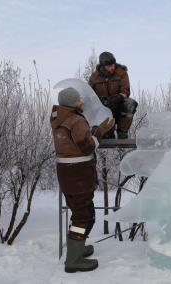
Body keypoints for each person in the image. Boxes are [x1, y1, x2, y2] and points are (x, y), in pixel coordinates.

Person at [50, 87, 114, 273]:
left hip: (67, 174)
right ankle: (74, 259)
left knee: (80, 212)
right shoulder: (76, 120)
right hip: (78, 175)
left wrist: (92, 131)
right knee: (83, 216)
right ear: (72, 103)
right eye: (78, 99)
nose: (82, 101)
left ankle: (76, 248)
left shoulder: (60, 119)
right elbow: (87, 147)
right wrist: (100, 131)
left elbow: (74, 142)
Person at [89, 51, 138, 139]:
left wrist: (118, 97)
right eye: (109, 66)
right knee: (108, 135)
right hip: (103, 109)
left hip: (118, 106)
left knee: (130, 103)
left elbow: (125, 91)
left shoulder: (121, 73)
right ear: (103, 67)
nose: (112, 67)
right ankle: (108, 133)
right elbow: (89, 96)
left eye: (113, 65)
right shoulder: (94, 78)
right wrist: (101, 100)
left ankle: (122, 132)